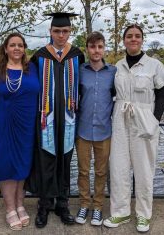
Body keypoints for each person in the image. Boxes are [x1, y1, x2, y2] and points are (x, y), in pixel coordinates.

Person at [103, 24, 164, 232]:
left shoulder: (155, 66)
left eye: (137, 36)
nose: (133, 39)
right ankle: (120, 213)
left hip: (144, 119)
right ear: (124, 40)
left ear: (142, 39)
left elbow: (162, 96)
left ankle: (143, 215)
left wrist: (154, 121)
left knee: (144, 170)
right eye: (129, 36)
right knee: (119, 168)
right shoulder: (118, 66)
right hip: (121, 119)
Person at [25, 12, 85, 228]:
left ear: (70, 32)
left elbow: (82, 87)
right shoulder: (39, 56)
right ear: (50, 32)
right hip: (46, 119)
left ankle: (62, 203)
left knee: (65, 161)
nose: (61, 35)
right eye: (57, 31)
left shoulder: (77, 55)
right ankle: (44, 204)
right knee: (45, 161)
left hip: (68, 118)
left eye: (65, 31)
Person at [0, 33, 39, 231]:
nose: (16, 48)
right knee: (6, 164)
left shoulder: (32, 69)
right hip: (4, 123)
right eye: (12, 45)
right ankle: (10, 208)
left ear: (24, 48)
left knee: (22, 164)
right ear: (6, 48)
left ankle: (20, 204)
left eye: (20, 45)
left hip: (27, 124)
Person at [75, 31, 116, 226]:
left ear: (104, 48)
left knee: (101, 171)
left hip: (104, 130)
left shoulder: (113, 72)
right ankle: (84, 204)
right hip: (82, 130)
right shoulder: (80, 70)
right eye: (92, 46)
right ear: (87, 49)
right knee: (83, 171)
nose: (96, 50)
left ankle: (98, 207)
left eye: (100, 46)